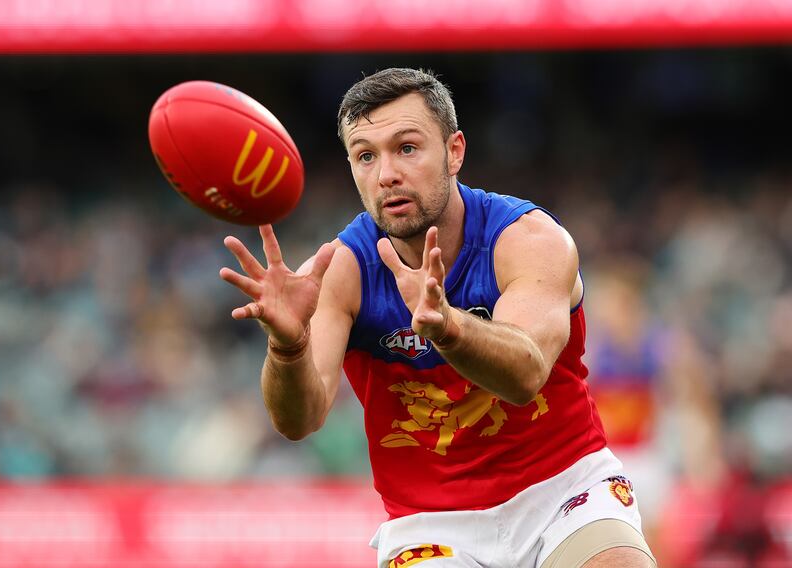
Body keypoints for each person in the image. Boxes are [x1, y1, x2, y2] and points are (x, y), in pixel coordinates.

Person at [219, 68, 657, 568]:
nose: (386, 174)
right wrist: (288, 347)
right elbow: (299, 421)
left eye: (406, 148)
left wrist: (447, 326)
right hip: (431, 522)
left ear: (454, 152)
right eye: (366, 156)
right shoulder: (342, 270)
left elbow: (526, 374)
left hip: (562, 493)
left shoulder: (529, 240)